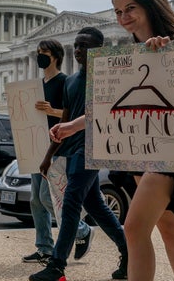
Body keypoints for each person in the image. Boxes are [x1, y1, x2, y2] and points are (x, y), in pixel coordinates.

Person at [111, 0, 174, 281]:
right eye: (118, 12)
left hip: (172, 149)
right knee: (172, 230)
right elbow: (116, 106)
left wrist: (169, 54)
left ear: (149, 4)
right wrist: (74, 125)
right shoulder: (132, 53)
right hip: (141, 149)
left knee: (134, 228)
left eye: (130, 8)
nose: (124, 18)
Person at [29, 27, 128, 281]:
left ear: (100, 49)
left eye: (85, 45)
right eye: (77, 45)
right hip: (72, 148)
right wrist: (49, 155)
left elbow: (109, 113)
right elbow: (64, 120)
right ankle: (128, 251)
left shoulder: (107, 79)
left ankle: (57, 266)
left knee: (71, 202)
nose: (80, 50)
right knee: (96, 206)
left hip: (94, 148)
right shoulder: (71, 81)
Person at [22, 39, 93, 264]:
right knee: (35, 199)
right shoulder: (37, 85)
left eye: (43, 52)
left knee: (46, 197)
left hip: (57, 145)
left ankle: (81, 230)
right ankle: (44, 246)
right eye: (38, 52)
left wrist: (51, 110)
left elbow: (72, 113)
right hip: (36, 144)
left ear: (55, 55)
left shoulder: (65, 81)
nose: (39, 56)